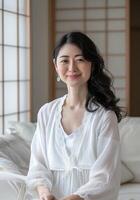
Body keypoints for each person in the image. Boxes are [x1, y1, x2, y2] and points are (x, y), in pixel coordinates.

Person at [27, 31, 124, 200]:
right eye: (64, 60)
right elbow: (38, 165)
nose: (72, 67)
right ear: (55, 66)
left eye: (80, 60)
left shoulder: (104, 117)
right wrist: (44, 193)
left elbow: (106, 178)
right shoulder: (46, 113)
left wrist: (74, 198)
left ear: (91, 64)